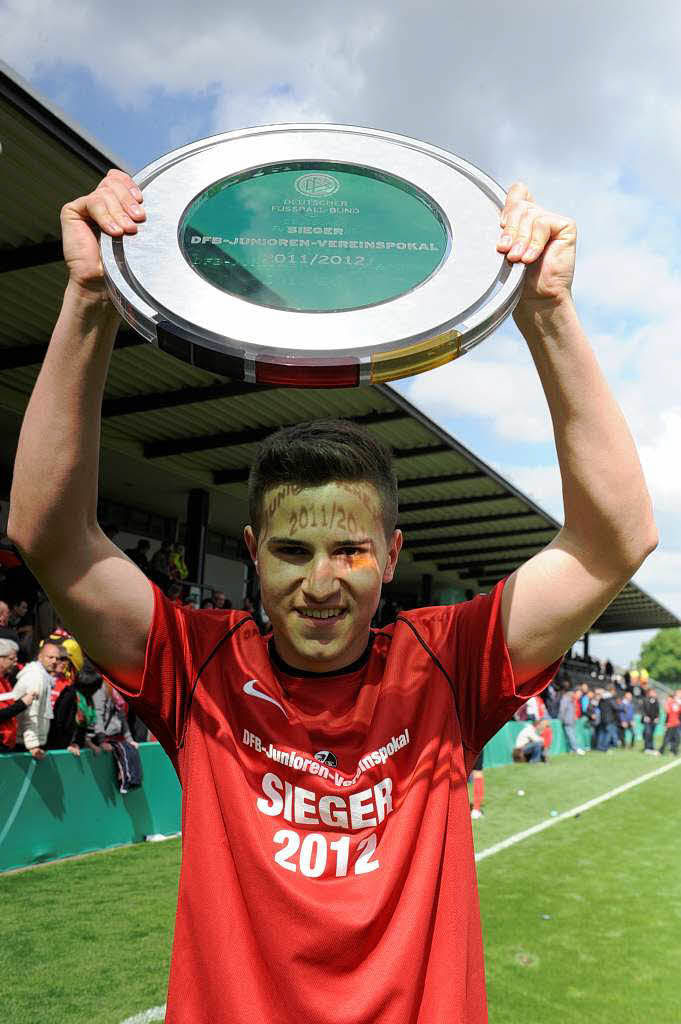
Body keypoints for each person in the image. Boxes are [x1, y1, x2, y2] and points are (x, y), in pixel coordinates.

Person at [6, 170, 657, 1024]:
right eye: (290, 550)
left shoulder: (445, 660)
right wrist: (90, 299)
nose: (319, 583)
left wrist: (547, 314)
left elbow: (615, 539)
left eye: (349, 549)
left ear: (391, 557)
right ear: (251, 554)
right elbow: (50, 536)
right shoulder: (194, 664)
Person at [13, 641, 61, 758]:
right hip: (23, 744)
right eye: (50, 657)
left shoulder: (43, 676)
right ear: (40, 657)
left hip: (26, 742)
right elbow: (30, 713)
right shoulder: (36, 677)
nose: (54, 661)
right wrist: (33, 746)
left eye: (57, 658)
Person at [0, 637, 39, 752]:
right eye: (12, 658)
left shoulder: (5, 680)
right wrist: (23, 703)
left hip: (7, 743)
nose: (16, 661)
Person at [559, 687, 585, 754]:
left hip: (571, 720)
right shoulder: (566, 699)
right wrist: (562, 718)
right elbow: (562, 710)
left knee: (572, 735)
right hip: (567, 720)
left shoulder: (572, 699)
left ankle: (572, 749)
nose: (579, 695)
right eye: (579, 693)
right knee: (571, 735)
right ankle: (576, 749)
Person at [658, 690, 681, 756]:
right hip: (671, 723)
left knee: (677, 738)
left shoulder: (677, 703)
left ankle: (674, 751)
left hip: (676, 723)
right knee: (667, 738)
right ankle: (661, 751)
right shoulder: (672, 703)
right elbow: (667, 711)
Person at [641, 687, 660, 754]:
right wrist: (645, 716)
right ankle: (647, 747)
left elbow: (658, 710)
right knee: (647, 733)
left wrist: (657, 718)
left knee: (651, 734)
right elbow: (643, 710)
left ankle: (651, 747)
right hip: (647, 720)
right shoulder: (645, 700)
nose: (654, 694)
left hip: (653, 720)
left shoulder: (656, 700)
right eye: (652, 692)